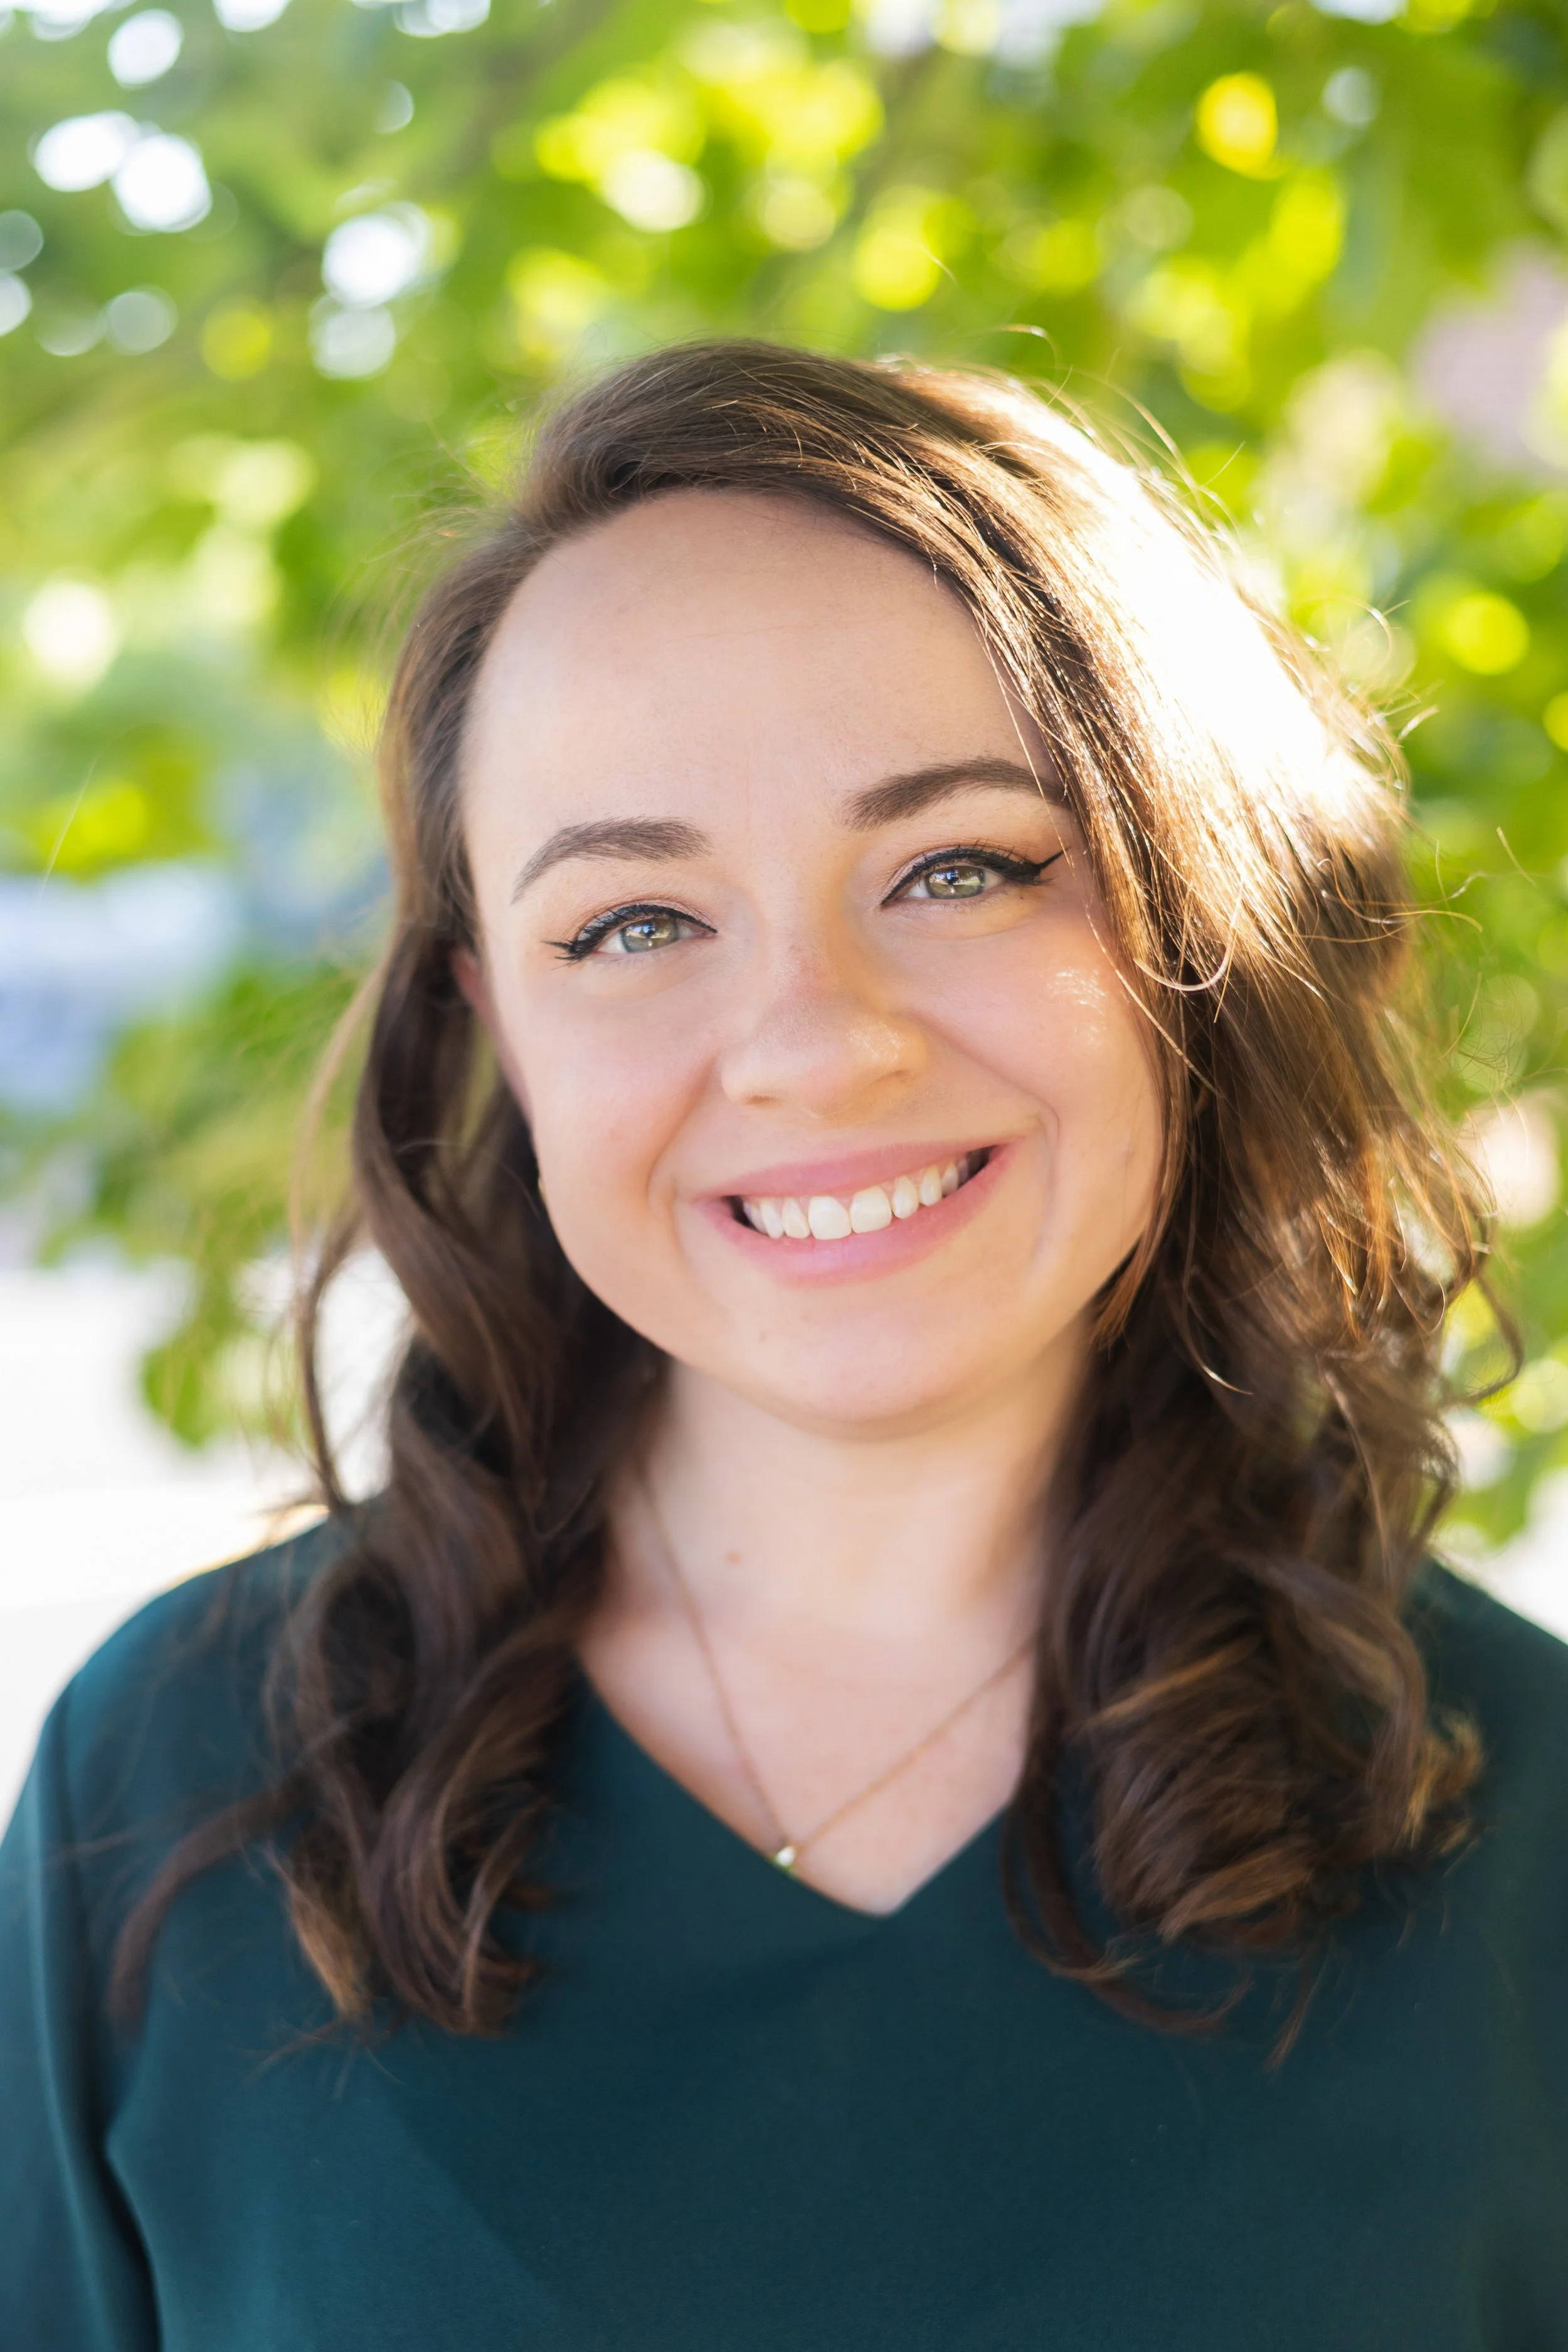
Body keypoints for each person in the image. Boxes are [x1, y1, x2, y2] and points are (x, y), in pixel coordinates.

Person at [3, 340, 1565, 2352]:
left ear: (1201, 924)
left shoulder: (1520, 1826)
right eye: (636, 920)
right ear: (496, 1019)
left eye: (961, 867)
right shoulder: (178, 1781)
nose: (817, 1040)